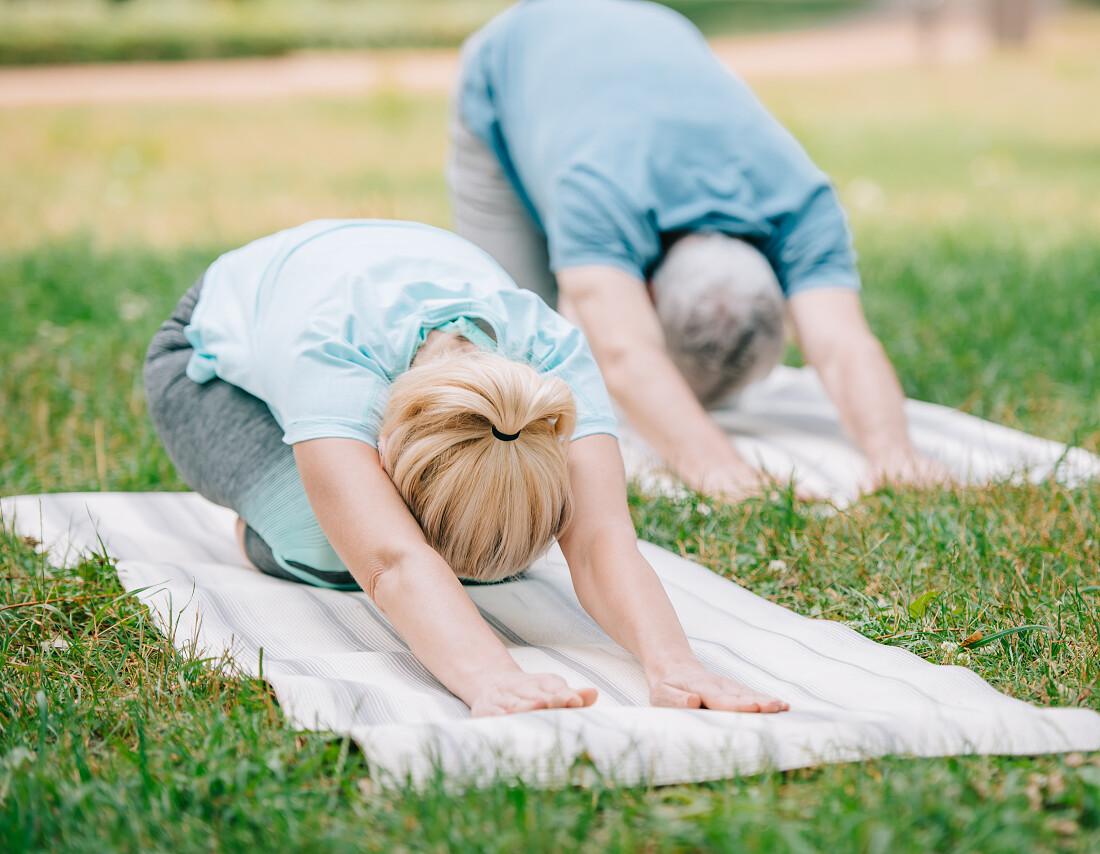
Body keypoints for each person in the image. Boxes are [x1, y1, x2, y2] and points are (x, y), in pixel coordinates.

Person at [143, 218, 787, 717]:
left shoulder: (552, 362)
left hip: (363, 282)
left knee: (485, 539)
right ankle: (272, 524)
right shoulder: (335, 365)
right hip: (204, 365)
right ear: (385, 453)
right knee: (337, 542)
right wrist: (491, 677)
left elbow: (597, 541)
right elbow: (392, 560)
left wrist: (675, 664)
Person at [448, 0, 951, 498]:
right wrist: (717, 468)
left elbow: (844, 346)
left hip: (653, 28)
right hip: (518, 48)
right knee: (512, 349)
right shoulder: (598, 192)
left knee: (577, 321)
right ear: (645, 292)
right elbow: (625, 352)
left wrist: (895, 456)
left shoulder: (803, 204)